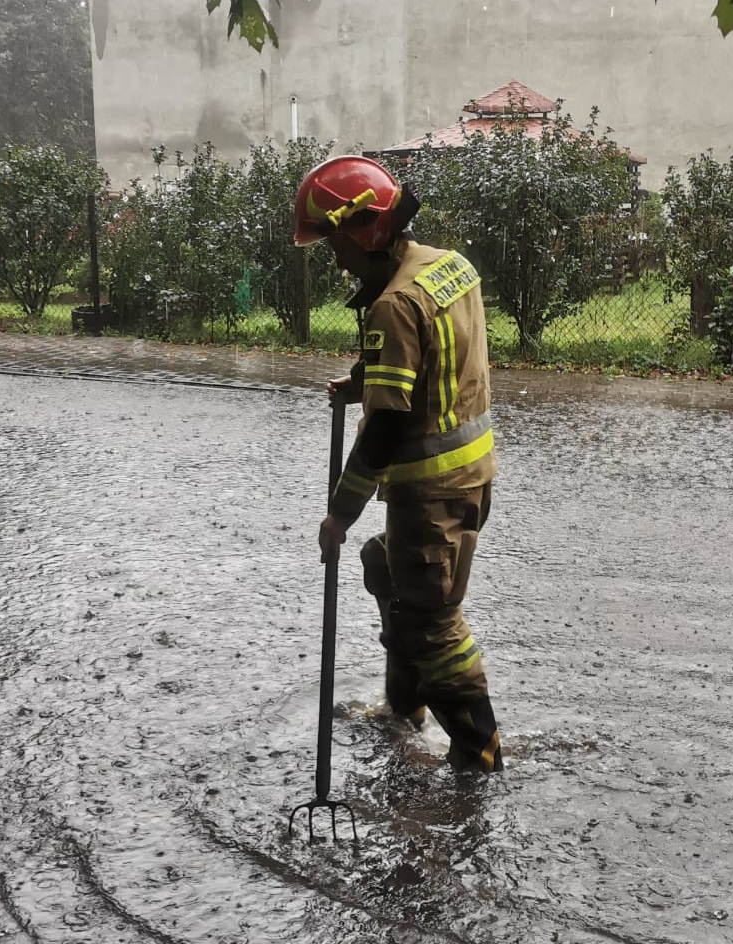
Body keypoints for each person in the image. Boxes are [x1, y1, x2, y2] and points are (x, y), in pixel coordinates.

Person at [293, 155, 503, 774]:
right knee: (382, 567)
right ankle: (403, 709)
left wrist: (338, 514)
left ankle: (480, 754)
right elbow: (430, 355)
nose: (336, 261)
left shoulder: (392, 305)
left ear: (365, 231)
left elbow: (384, 431)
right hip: (470, 476)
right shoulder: (447, 268)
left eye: (334, 244)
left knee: (432, 626)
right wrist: (365, 380)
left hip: (428, 490)